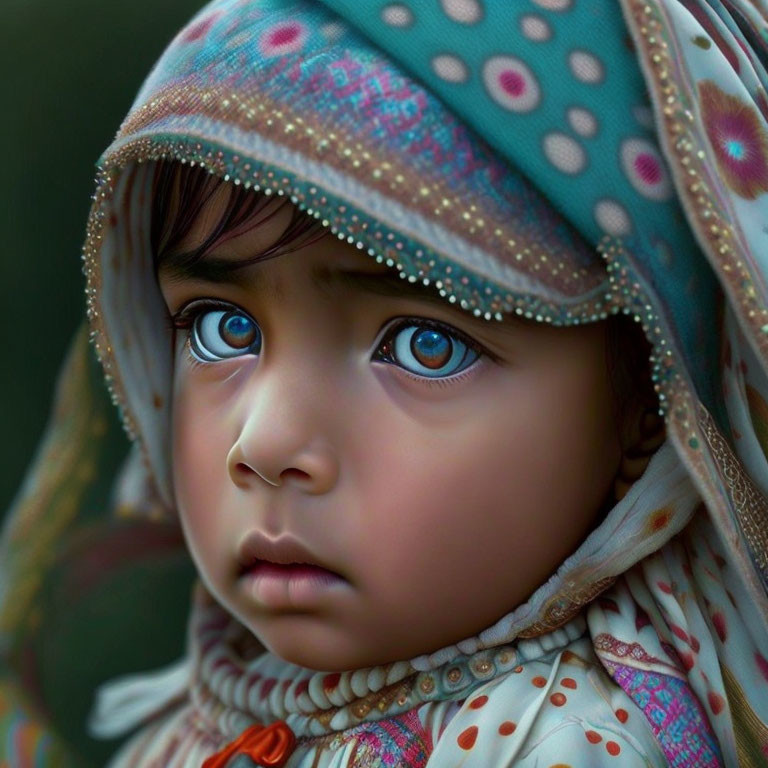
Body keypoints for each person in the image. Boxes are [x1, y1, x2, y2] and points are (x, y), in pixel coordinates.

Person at [2, 0, 768, 765]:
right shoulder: (220, 703)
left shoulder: (563, 746)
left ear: (643, 410)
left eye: (425, 345)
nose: (263, 443)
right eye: (220, 328)